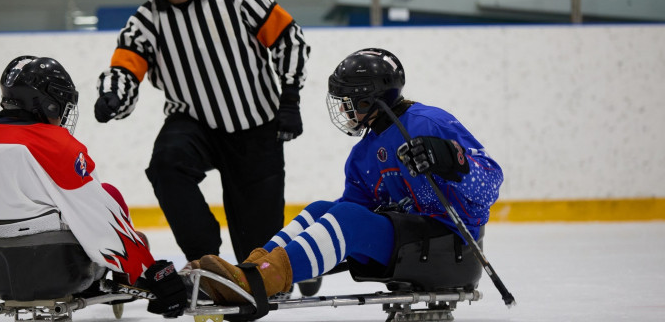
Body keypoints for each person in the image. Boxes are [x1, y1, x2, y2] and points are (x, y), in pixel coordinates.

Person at [197, 48, 503, 304]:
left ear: (369, 101)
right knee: (322, 209)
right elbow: (349, 214)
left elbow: (491, 184)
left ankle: (262, 280)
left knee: (347, 217)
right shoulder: (363, 155)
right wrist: (308, 254)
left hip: (451, 248)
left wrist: (453, 159)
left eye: (348, 103)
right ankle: (251, 270)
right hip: (411, 244)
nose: (344, 112)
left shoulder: (428, 123)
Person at [93, 0, 311, 266]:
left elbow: (288, 37)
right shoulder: (146, 21)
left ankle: (293, 261)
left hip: (256, 124)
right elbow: (125, 68)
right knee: (166, 165)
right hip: (193, 123)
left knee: (258, 257)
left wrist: (290, 97)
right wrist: (113, 96)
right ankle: (204, 257)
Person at [0, 55, 186, 317]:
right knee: (109, 193)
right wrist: (149, 270)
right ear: (48, 103)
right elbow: (99, 215)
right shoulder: (55, 144)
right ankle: (120, 275)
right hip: (64, 273)